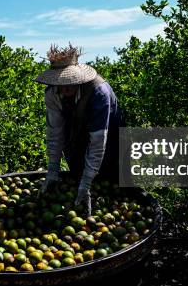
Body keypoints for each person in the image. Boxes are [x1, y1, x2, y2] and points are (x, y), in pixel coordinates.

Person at [34, 44, 124, 216]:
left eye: (71, 82)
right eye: (62, 83)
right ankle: (81, 193)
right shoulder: (52, 94)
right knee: (77, 166)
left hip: (108, 130)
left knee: (112, 171)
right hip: (75, 127)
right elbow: (55, 132)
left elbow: (98, 142)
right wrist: (53, 170)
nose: (66, 88)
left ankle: (100, 199)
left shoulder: (99, 93)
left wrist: (86, 184)